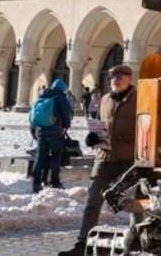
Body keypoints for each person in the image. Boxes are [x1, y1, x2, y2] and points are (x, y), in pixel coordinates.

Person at [59, 64, 138, 256]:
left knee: (136, 204)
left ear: (129, 78)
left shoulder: (140, 100)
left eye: (119, 76)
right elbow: (100, 127)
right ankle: (82, 244)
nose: (114, 80)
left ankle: (137, 241)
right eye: (112, 76)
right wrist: (92, 138)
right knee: (93, 201)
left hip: (130, 161)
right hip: (104, 158)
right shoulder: (104, 100)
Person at [31, 78, 73, 193]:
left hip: (41, 131)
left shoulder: (41, 96)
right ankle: (54, 182)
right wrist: (65, 126)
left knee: (40, 157)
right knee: (55, 156)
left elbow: (32, 115)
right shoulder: (60, 98)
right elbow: (66, 114)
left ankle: (36, 183)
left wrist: (34, 131)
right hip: (55, 132)